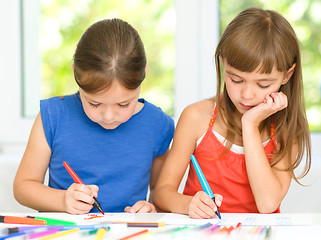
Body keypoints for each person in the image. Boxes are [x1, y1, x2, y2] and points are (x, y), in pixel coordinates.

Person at [153, 7, 311, 219]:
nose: (246, 95)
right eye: (235, 80)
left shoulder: (288, 129)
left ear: (287, 75)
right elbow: (161, 193)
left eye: (263, 84)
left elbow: (267, 203)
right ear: (223, 63)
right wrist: (189, 203)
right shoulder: (197, 117)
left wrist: (250, 125)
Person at [13, 18, 174, 214]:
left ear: (143, 75)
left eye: (123, 104)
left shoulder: (158, 125)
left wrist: (152, 208)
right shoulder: (53, 116)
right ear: (76, 74)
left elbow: (161, 192)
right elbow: (23, 186)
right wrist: (63, 200)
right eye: (94, 103)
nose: (108, 116)